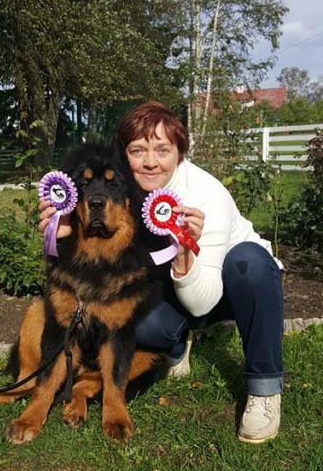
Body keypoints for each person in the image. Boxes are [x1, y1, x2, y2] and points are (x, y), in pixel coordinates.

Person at [38, 101, 284, 444]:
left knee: (250, 262)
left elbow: (203, 302)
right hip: (179, 285)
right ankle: (176, 347)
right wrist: (63, 231)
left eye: (162, 149)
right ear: (125, 155)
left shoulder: (204, 194)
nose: (150, 161)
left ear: (179, 152)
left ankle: (265, 390)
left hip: (233, 286)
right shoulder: (131, 191)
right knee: (142, 323)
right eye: (138, 150)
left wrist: (185, 256)